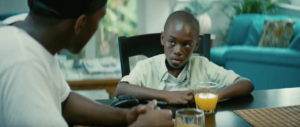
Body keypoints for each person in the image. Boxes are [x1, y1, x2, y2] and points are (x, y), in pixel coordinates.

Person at [0, 0, 173, 127]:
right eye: (100, 19)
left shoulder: (32, 31)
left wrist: (126, 117)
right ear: (80, 24)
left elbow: (64, 101)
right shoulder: (22, 68)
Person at [116, 11, 254, 105]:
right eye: (172, 42)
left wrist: (217, 94)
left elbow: (246, 84)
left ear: (196, 45)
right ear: (163, 39)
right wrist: (168, 95)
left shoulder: (203, 65)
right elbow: (121, 90)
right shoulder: (146, 66)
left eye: (186, 45)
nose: (178, 51)